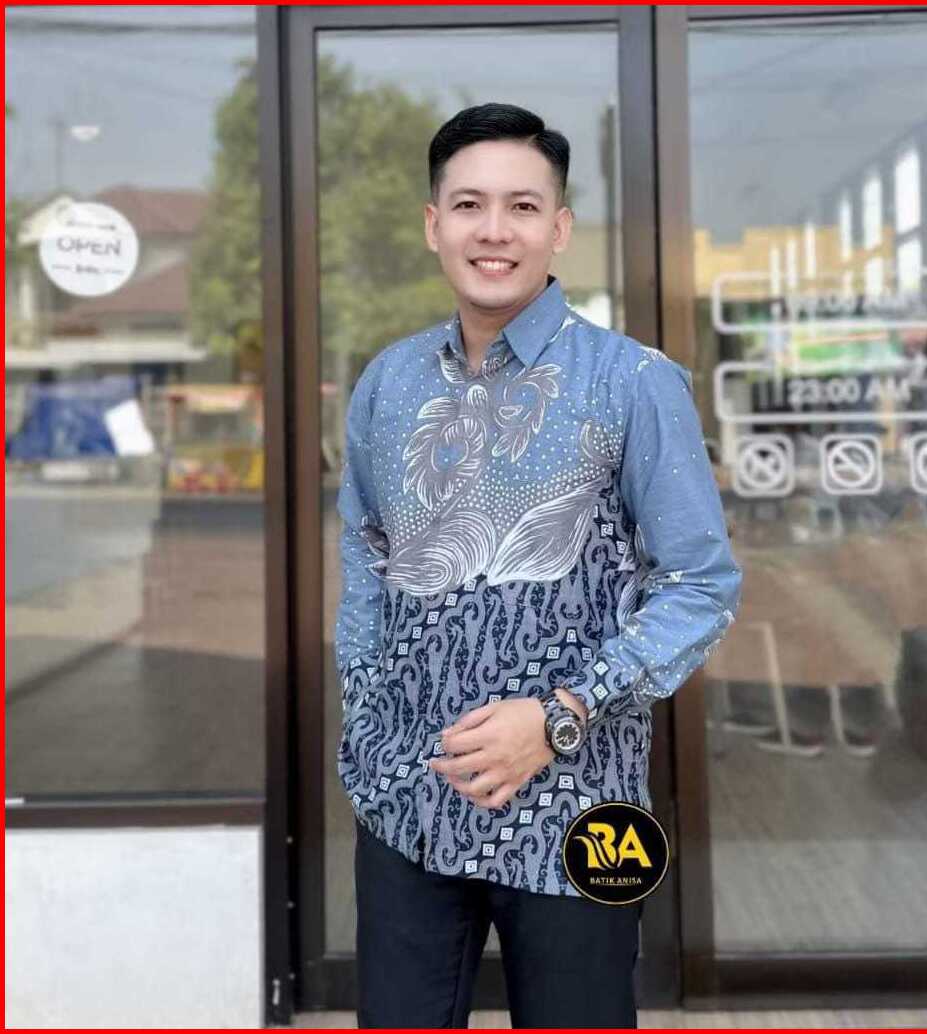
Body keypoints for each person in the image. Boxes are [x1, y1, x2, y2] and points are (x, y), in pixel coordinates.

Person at [335, 102, 742, 1029]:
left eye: (522, 206)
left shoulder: (632, 381)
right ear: (433, 224)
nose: (494, 230)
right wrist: (368, 727)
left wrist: (559, 717)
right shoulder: (388, 382)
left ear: (559, 228)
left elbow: (700, 587)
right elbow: (366, 558)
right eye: (468, 205)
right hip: (408, 800)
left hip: (578, 807)